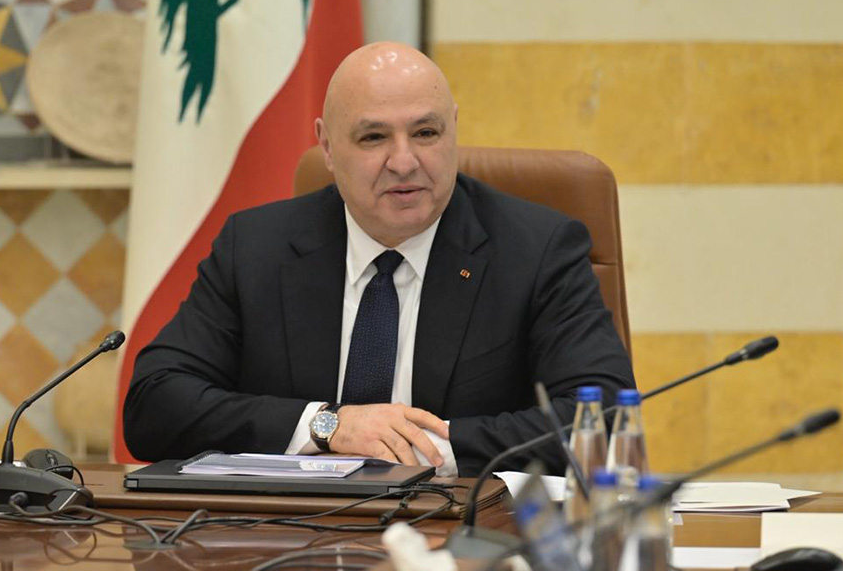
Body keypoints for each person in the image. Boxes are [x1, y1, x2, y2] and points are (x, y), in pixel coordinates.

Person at [123, 42, 634, 476]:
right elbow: (155, 403)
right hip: (288, 532)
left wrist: (421, 448)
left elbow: (603, 420)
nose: (404, 161)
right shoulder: (256, 246)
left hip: (464, 533)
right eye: (373, 137)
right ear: (327, 146)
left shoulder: (537, 249)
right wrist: (327, 426)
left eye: (426, 133)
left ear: (454, 130)